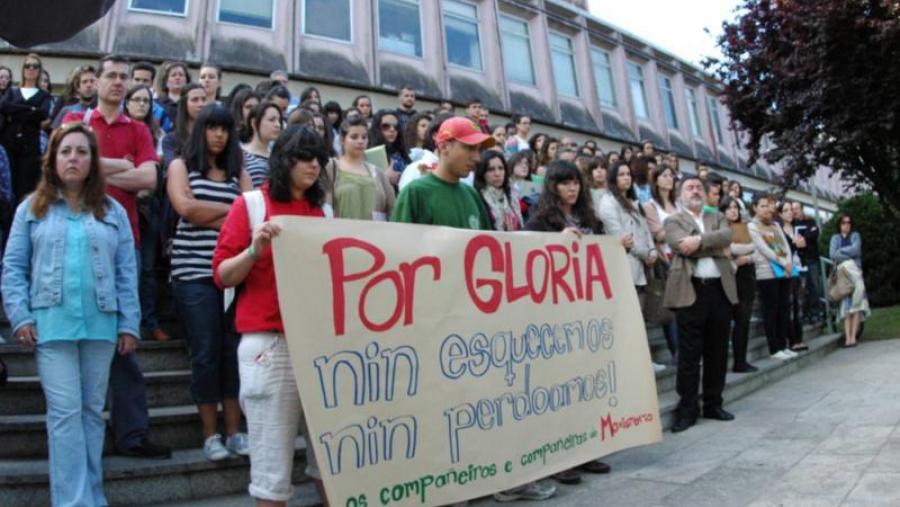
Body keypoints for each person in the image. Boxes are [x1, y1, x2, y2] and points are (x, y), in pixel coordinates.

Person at [2, 123, 139, 506]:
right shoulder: (31, 209)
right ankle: (73, 502)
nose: (73, 158)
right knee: (65, 415)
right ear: (53, 159)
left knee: (93, 414)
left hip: (101, 324)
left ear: (93, 160)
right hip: (52, 325)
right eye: (66, 152)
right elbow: (12, 267)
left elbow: (127, 270)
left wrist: (129, 322)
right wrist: (20, 315)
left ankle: (92, 496)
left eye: (81, 151)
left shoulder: (112, 211)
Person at [62, 54, 171, 459]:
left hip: (122, 239)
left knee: (125, 334)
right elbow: (63, 170)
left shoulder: (139, 128)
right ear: (94, 80)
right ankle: (79, 432)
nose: (118, 83)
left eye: (123, 77)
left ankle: (131, 433)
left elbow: (148, 178)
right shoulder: (75, 120)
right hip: (74, 237)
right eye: (110, 75)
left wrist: (95, 168)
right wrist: (116, 166)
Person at [213, 125, 328, 506]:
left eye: (318, 159)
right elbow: (222, 275)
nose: (313, 165)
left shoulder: (323, 211)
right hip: (271, 344)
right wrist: (254, 249)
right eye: (305, 157)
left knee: (335, 461)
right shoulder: (250, 205)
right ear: (285, 160)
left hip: (318, 345)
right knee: (271, 472)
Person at [167, 103, 252, 461]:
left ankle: (234, 432)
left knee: (233, 353)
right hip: (192, 273)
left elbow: (252, 212)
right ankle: (209, 435)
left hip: (232, 273)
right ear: (200, 130)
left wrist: (216, 212)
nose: (219, 134)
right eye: (212, 127)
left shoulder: (239, 170)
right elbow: (185, 209)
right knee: (205, 352)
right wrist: (233, 213)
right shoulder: (180, 165)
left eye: (225, 128)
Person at [524, 159, 611, 488]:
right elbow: (526, 254)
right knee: (558, 389)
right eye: (564, 183)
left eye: (575, 182)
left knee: (584, 386)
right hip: (555, 316)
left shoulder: (591, 219)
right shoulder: (540, 222)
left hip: (586, 313)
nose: (571, 188)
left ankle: (585, 448)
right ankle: (558, 457)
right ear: (552, 186)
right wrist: (556, 241)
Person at [664, 176, 738, 433]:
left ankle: (713, 404)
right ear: (680, 194)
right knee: (689, 355)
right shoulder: (672, 220)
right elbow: (680, 246)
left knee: (717, 352)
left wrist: (698, 241)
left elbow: (727, 236)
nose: (695, 191)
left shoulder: (716, 216)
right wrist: (713, 244)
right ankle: (687, 410)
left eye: (698, 188)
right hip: (690, 290)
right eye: (689, 187)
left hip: (719, 290)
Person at [597, 161, 662, 371]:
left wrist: (652, 251)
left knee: (639, 317)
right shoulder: (608, 201)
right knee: (628, 319)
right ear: (613, 178)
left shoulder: (633, 201)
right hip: (624, 266)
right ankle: (631, 363)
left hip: (641, 267)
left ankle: (643, 361)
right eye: (621, 174)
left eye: (628, 174)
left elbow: (645, 231)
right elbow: (618, 235)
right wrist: (645, 254)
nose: (626, 178)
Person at [124, 84, 170, 342]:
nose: (142, 104)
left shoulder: (157, 133)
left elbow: (152, 171)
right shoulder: (119, 130)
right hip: (123, 202)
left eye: (146, 101)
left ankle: (151, 321)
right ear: (127, 103)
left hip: (150, 204)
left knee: (149, 267)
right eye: (136, 99)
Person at [747, 194, 798, 362]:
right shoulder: (752, 226)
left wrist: (789, 263)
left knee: (784, 309)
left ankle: (784, 345)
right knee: (771, 311)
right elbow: (763, 249)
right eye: (762, 206)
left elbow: (786, 245)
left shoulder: (776, 224)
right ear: (754, 207)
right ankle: (774, 348)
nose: (767, 209)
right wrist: (784, 263)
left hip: (784, 272)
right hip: (766, 273)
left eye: (768, 206)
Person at [1, 53, 52, 200]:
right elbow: (4, 107)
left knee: (26, 188)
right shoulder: (12, 91)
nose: (31, 69)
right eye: (27, 65)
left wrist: (16, 110)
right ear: (23, 69)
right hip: (9, 143)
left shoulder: (44, 95)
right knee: (8, 186)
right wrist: (30, 109)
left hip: (31, 147)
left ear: (39, 70)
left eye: (35, 66)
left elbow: (42, 114)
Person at [642, 164, 680, 361]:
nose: (668, 178)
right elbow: (659, 234)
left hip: (686, 258)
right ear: (656, 179)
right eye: (664, 175)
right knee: (671, 308)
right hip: (667, 261)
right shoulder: (650, 206)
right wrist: (680, 232)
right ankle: (676, 352)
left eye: (671, 175)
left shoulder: (679, 205)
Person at [326, 115, 395, 220]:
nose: (360, 141)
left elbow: (392, 209)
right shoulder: (331, 168)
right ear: (342, 140)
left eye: (364, 137)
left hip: (373, 234)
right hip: (340, 233)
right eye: (354, 137)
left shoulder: (378, 173)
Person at [719, 195, 758, 372]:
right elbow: (728, 249)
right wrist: (744, 251)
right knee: (729, 323)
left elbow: (757, 248)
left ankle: (740, 361)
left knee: (744, 322)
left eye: (735, 207)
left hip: (747, 277)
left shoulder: (746, 227)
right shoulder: (720, 227)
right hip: (729, 277)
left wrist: (748, 256)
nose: (733, 211)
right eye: (729, 208)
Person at [829, 214, 869, 347]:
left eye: (849, 223)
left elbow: (856, 250)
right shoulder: (835, 238)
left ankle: (853, 338)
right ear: (839, 225)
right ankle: (848, 338)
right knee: (846, 307)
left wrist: (841, 251)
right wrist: (847, 254)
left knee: (857, 305)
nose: (846, 225)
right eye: (843, 223)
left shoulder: (855, 235)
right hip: (844, 275)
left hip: (856, 272)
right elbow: (832, 254)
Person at [778, 201, 807, 351]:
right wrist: (796, 245)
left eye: (791, 210)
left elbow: (803, 246)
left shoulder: (798, 228)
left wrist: (799, 245)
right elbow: (783, 249)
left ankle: (800, 338)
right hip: (787, 271)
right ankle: (792, 340)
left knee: (799, 306)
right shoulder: (779, 230)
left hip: (800, 268)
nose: (790, 212)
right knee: (789, 305)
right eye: (786, 210)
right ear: (780, 214)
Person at [473, 151, 523, 231]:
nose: (497, 173)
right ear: (482, 173)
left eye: (501, 168)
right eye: (491, 169)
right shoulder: (476, 198)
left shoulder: (512, 196)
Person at [162, 83, 208, 169]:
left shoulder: (213, 137)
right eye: (195, 100)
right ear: (184, 104)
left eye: (204, 99)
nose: (201, 104)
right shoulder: (170, 140)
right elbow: (172, 167)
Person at [792, 201, 823, 322]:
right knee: (801, 289)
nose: (795, 211)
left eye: (797, 208)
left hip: (811, 259)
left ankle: (816, 312)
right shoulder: (792, 224)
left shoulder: (810, 221)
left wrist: (804, 238)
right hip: (798, 261)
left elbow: (815, 233)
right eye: (793, 209)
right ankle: (804, 313)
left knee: (814, 285)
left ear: (801, 209)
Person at [242, 101, 283, 188]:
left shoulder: (279, 156)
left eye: (279, 121)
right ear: (254, 123)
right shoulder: (240, 154)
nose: (278, 125)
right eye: (271, 120)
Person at [369, 109, 411, 187]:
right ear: (377, 128)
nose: (392, 130)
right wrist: (385, 177)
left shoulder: (402, 152)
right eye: (386, 126)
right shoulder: (370, 153)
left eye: (396, 126)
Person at [130, 61, 174, 133]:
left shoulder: (161, 113)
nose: (140, 83)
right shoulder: (119, 107)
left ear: (152, 82)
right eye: (137, 80)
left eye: (145, 81)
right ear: (131, 80)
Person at [50, 64, 97, 129]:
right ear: (78, 87)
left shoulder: (104, 112)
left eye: (92, 81)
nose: (88, 85)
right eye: (84, 82)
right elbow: (55, 135)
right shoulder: (66, 111)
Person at [157, 61, 191, 125]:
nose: (177, 78)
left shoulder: (191, 103)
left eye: (181, 75)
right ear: (166, 82)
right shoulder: (157, 105)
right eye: (173, 75)